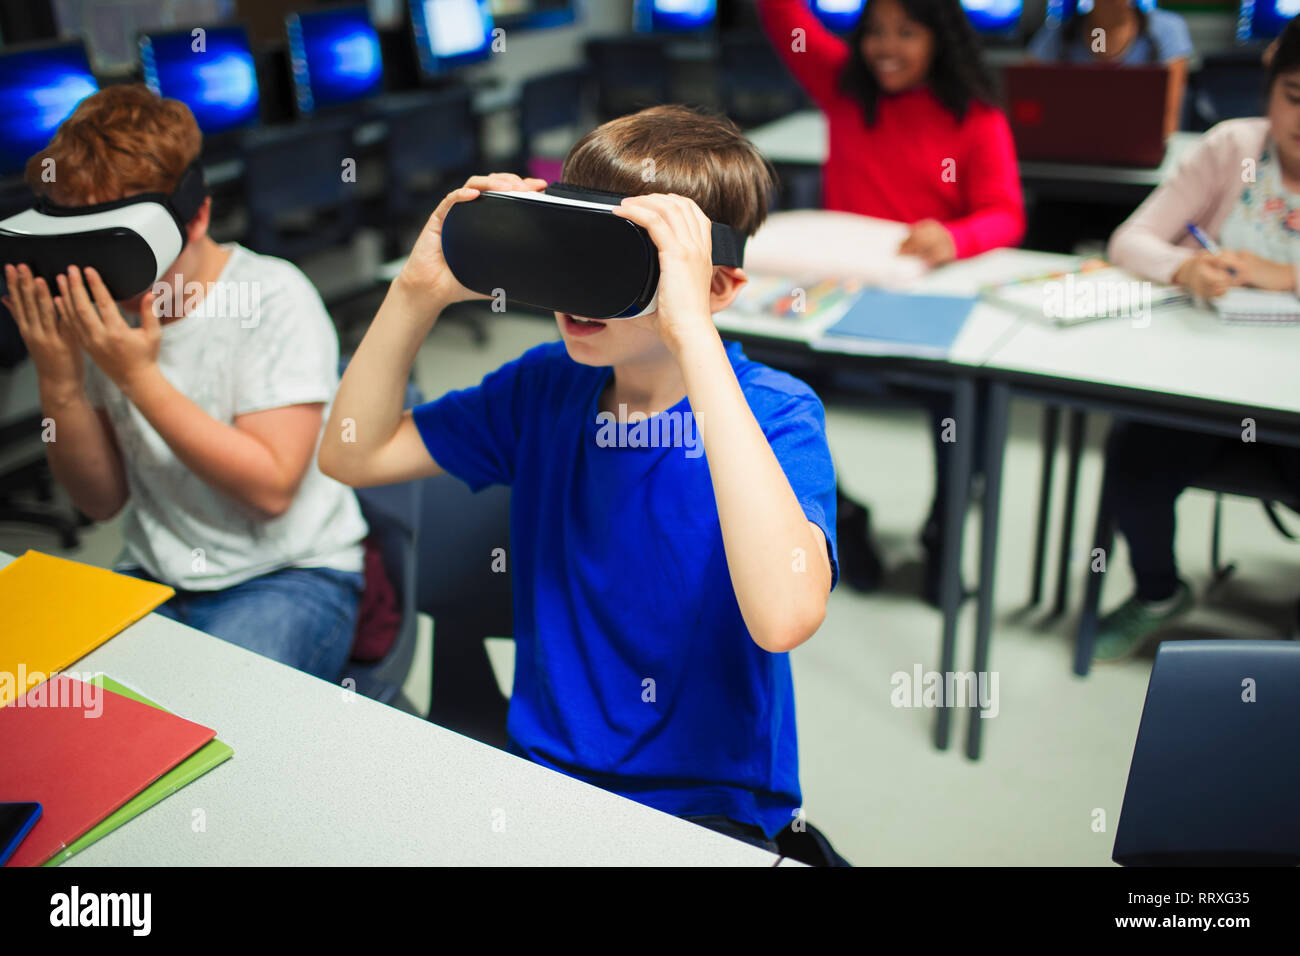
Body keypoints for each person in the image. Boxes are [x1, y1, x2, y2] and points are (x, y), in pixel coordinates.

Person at [319, 105, 839, 853]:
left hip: (709, 803)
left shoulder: (779, 417)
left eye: (614, 262)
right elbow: (351, 454)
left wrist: (692, 333)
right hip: (544, 777)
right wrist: (416, 291)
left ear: (717, 286)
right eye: (566, 247)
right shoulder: (546, 387)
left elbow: (784, 617)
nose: (573, 291)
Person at [1, 85, 367, 680]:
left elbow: (271, 489)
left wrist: (138, 376)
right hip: (154, 571)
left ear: (196, 216)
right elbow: (99, 502)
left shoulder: (274, 297)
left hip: (288, 575)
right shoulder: (104, 314)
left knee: (213, 712)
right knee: (52, 695)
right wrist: (60, 378)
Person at [758, 0, 1025, 602]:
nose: (886, 47)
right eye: (875, 31)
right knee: (758, 384)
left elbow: (1006, 213)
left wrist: (954, 237)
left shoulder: (976, 118)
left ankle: (942, 532)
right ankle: (841, 514)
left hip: (918, 303)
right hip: (831, 301)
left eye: (907, 33)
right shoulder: (847, 87)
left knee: (965, 408)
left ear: (941, 41)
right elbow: (784, 20)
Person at [1096, 16, 1300, 661]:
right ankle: (1158, 590)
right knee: (1133, 456)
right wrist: (1182, 267)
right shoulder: (1231, 148)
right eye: (1295, 97)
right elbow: (1129, 239)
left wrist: (1287, 275)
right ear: (1269, 84)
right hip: (1208, 390)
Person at [1028, 0, 1193, 140]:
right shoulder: (1058, 37)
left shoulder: (1167, 30)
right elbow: (1025, 97)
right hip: (1073, 152)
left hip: (1140, 155)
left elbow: (1169, 124)